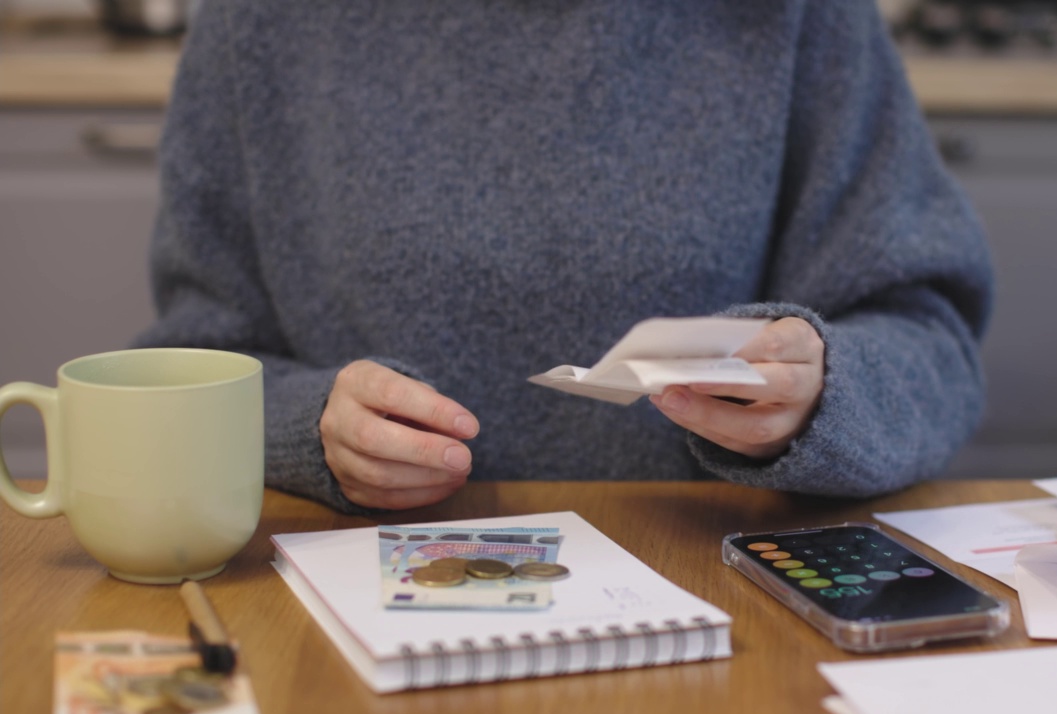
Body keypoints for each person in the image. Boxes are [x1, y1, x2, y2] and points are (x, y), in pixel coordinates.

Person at [135, 0, 994, 514]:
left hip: (723, 613)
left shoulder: (798, 16)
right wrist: (305, 431)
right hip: (348, 615)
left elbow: (931, 345)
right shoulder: (263, 24)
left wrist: (823, 393)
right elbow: (186, 373)